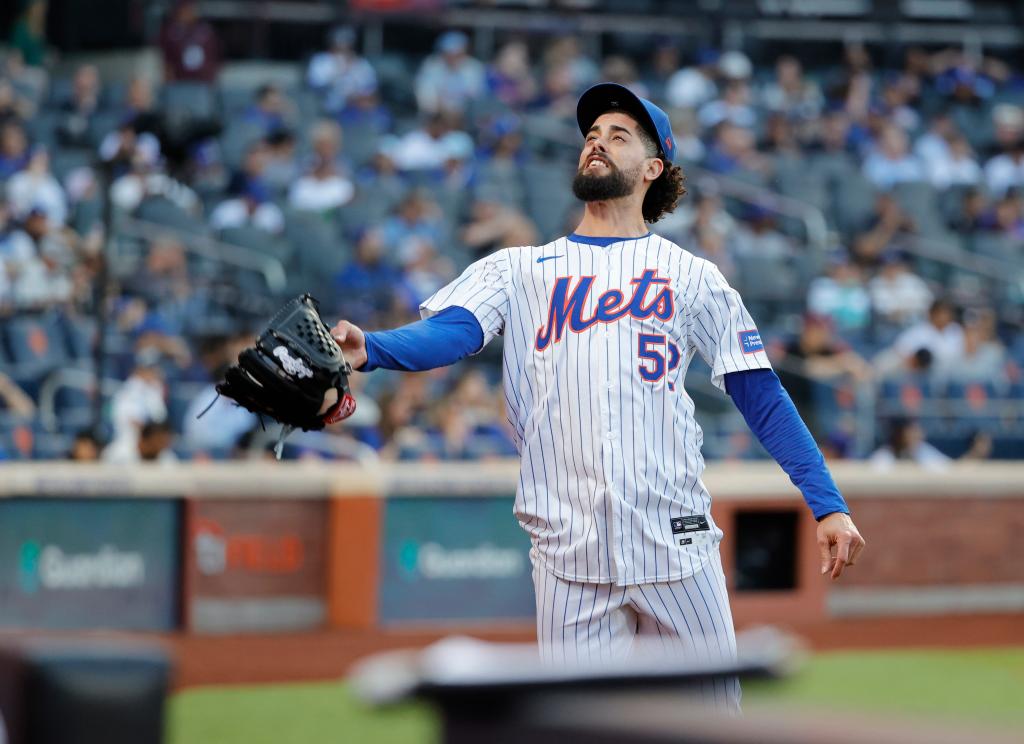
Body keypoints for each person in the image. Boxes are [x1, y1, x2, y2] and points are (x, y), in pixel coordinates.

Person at [329, 83, 865, 712]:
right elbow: (453, 332)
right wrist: (375, 347)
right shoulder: (520, 269)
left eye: (617, 137)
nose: (596, 144)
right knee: (580, 729)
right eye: (590, 136)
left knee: (716, 725)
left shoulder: (691, 276)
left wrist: (826, 503)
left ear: (652, 167)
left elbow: (760, 393)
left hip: (676, 545)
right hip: (567, 553)